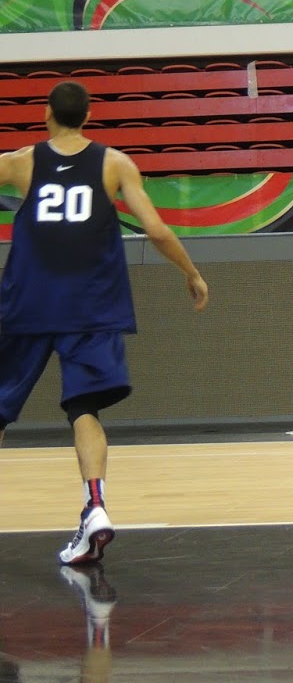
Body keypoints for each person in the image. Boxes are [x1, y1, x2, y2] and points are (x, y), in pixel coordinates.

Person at [0, 82, 209, 566]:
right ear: (88, 116)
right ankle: (95, 504)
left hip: (29, 303)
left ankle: (92, 511)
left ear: (47, 114)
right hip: (91, 307)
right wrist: (191, 272)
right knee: (85, 410)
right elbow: (155, 228)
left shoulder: (21, 161)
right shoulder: (115, 163)